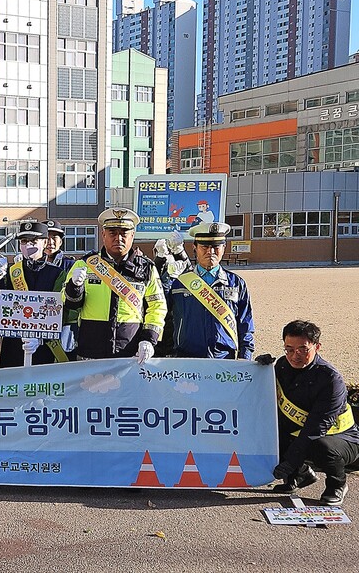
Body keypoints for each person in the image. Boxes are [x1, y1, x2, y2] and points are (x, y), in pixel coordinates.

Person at [259, 320, 359, 506]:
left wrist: (290, 461)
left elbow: (316, 428)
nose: (294, 356)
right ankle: (300, 475)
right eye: (289, 349)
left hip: (341, 439)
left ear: (317, 347)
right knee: (266, 433)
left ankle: (337, 484)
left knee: (320, 446)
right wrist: (260, 369)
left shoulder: (330, 380)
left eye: (302, 349)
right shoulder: (282, 365)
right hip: (303, 432)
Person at [62, 208, 166, 361]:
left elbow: (157, 306)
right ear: (103, 235)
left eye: (124, 233)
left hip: (131, 353)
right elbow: (69, 304)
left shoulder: (146, 269)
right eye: (112, 233)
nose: (118, 238)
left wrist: (149, 339)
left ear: (132, 235)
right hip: (90, 353)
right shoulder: (85, 264)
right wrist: (74, 287)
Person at [166, 222, 254, 359]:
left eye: (216, 247)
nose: (210, 252)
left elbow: (246, 325)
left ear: (224, 247)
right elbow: (165, 317)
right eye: (204, 247)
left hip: (224, 359)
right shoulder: (178, 283)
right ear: (195, 248)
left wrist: (245, 357)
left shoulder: (236, 283)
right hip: (186, 360)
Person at [0, 222, 65, 367]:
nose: (28, 245)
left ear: (44, 243)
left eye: (33, 241)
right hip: (14, 343)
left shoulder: (57, 273)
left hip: (44, 344)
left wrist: (40, 339)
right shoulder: (11, 271)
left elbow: (61, 311)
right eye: (24, 241)